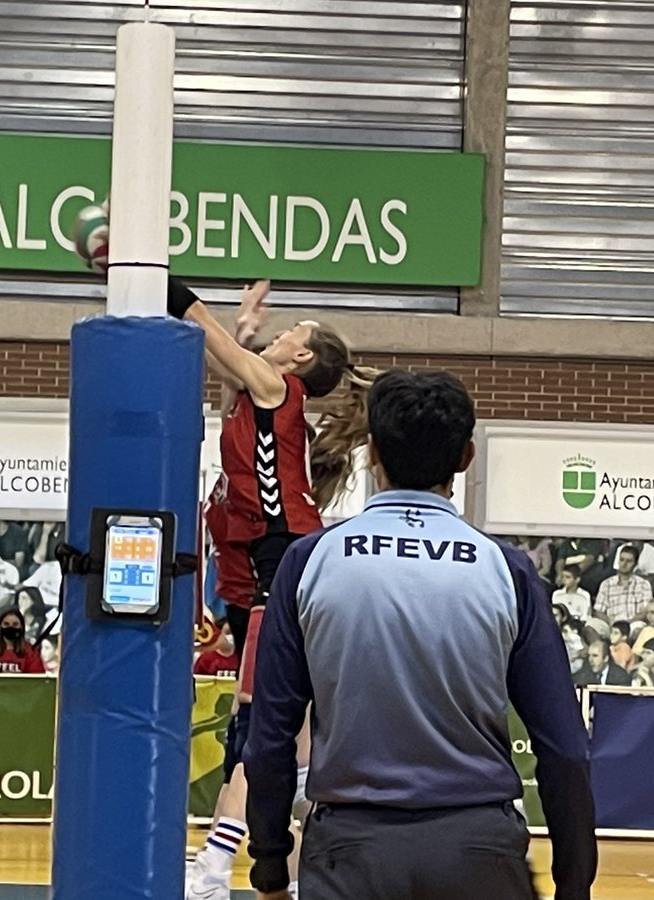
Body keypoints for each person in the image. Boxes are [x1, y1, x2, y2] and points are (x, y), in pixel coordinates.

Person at [243, 369, 596, 900]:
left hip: (349, 856)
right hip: (478, 854)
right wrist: (575, 886)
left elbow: (269, 735)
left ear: (372, 450)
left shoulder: (308, 561)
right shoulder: (508, 571)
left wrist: (270, 863)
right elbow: (564, 749)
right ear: (466, 457)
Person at [173, 279, 375, 900]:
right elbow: (224, 363)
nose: (283, 333)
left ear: (301, 358)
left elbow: (197, 328)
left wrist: (137, 266)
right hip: (271, 564)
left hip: (288, 563)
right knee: (289, 735)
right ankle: (297, 861)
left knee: (259, 727)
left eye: (293, 331)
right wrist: (245, 330)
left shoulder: (276, 387)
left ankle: (213, 868)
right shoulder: (258, 389)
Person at [0, 608, 46, 674]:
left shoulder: (31, 652)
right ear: (0, 627)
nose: (10, 627)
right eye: (6, 624)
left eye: (15, 624)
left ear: (21, 627)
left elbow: (37, 682)